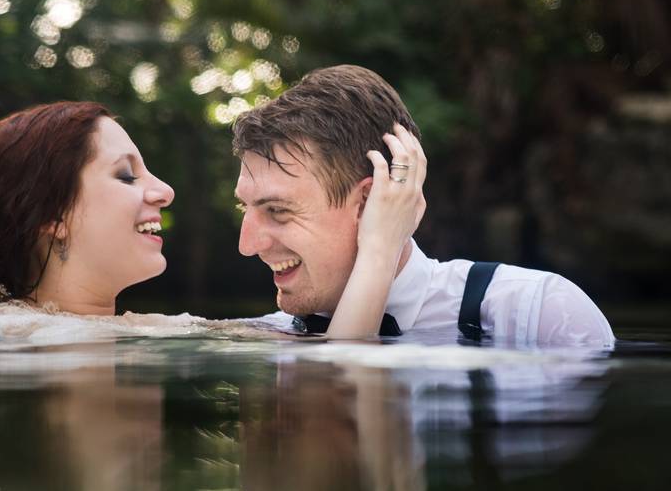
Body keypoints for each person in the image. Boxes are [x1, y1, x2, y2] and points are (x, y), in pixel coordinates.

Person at [0, 100, 424, 342]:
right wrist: (378, 251)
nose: (165, 191)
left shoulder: (174, 331)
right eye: (127, 177)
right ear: (52, 215)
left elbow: (337, 377)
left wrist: (379, 245)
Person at [232, 65, 615, 347]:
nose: (247, 245)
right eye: (244, 209)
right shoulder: (269, 333)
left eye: (278, 211)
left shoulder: (537, 314)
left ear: (370, 202)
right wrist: (377, 256)